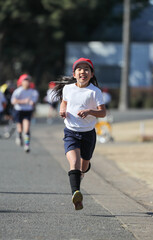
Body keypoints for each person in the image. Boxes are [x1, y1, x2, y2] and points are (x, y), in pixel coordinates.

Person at [54, 58, 106, 210]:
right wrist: (62, 110)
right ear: (74, 73)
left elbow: (102, 112)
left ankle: (80, 175)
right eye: (79, 69)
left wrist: (90, 111)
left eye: (86, 69)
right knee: (74, 163)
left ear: (91, 74)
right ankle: (76, 194)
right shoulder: (68, 89)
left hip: (88, 134)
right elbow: (64, 101)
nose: (83, 71)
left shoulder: (95, 92)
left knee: (84, 166)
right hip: (70, 131)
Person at [11, 74, 38, 153]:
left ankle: (27, 145)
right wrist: (23, 101)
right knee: (20, 128)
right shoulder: (18, 91)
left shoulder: (33, 92)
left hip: (27, 111)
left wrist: (32, 103)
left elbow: (34, 102)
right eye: (25, 81)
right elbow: (13, 101)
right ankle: (19, 136)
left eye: (28, 81)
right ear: (21, 82)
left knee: (26, 129)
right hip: (18, 110)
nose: (27, 82)